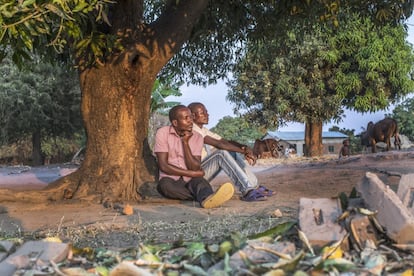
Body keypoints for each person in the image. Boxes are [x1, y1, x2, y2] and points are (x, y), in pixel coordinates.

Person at [188, 102, 274, 202]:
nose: (207, 115)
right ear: (193, 116)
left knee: (231, 152)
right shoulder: (192, 129)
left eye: (206, 112)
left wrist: (244, 147)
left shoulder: (203, 129)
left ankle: (254, 187)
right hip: (195, 177)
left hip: (203, 171)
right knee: (221, 153)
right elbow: (220, 145)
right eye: (202, 113)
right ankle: (247, 191)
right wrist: (244, 151)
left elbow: (224, 141)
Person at [153, 105, 234, 208]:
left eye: (191, 117)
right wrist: (192, 173)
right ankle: (205, 197)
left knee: (200, 183)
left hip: (191, 179)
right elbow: (163, 166)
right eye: (186, 118)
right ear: (175, 123)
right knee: (165, 186)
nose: (190, 121)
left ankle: (206, 198)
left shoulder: (197, 137)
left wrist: (185, 143)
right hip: (170, 178)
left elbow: (195, 167)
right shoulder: (163, 133)